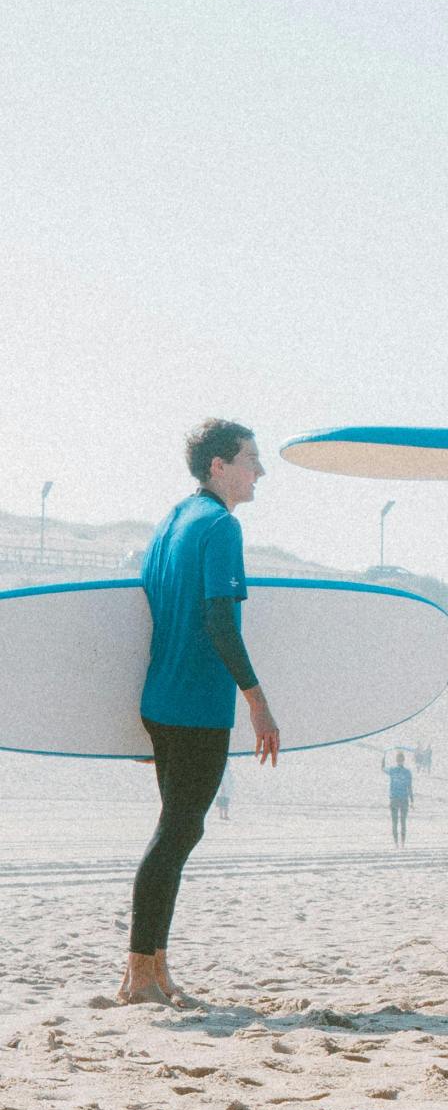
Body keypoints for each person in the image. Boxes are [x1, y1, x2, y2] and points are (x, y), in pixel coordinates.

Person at [120, 419, 280, 1008]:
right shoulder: (221, 526)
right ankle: (140, 974)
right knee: (176, 833)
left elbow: (148, 610)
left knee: (179, 828)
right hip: (196, 706)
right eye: (251, 459)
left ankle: (155, 969)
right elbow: (219, 620)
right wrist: (258, 704)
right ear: (219, 465)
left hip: (162, 701)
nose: (259, 471)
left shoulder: (171, 523)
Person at [384, 749, 414, 845]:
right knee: (403, 822)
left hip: (394, 799)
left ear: (397, 760)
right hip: (404, 799)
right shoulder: (407, 772)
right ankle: (402, 843)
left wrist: (383, 757)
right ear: (403, 760)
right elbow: (410, 787)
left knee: (395, 822)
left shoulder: (392, 770)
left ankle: (396, 843)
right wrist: (412, 800)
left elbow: (382, 768)